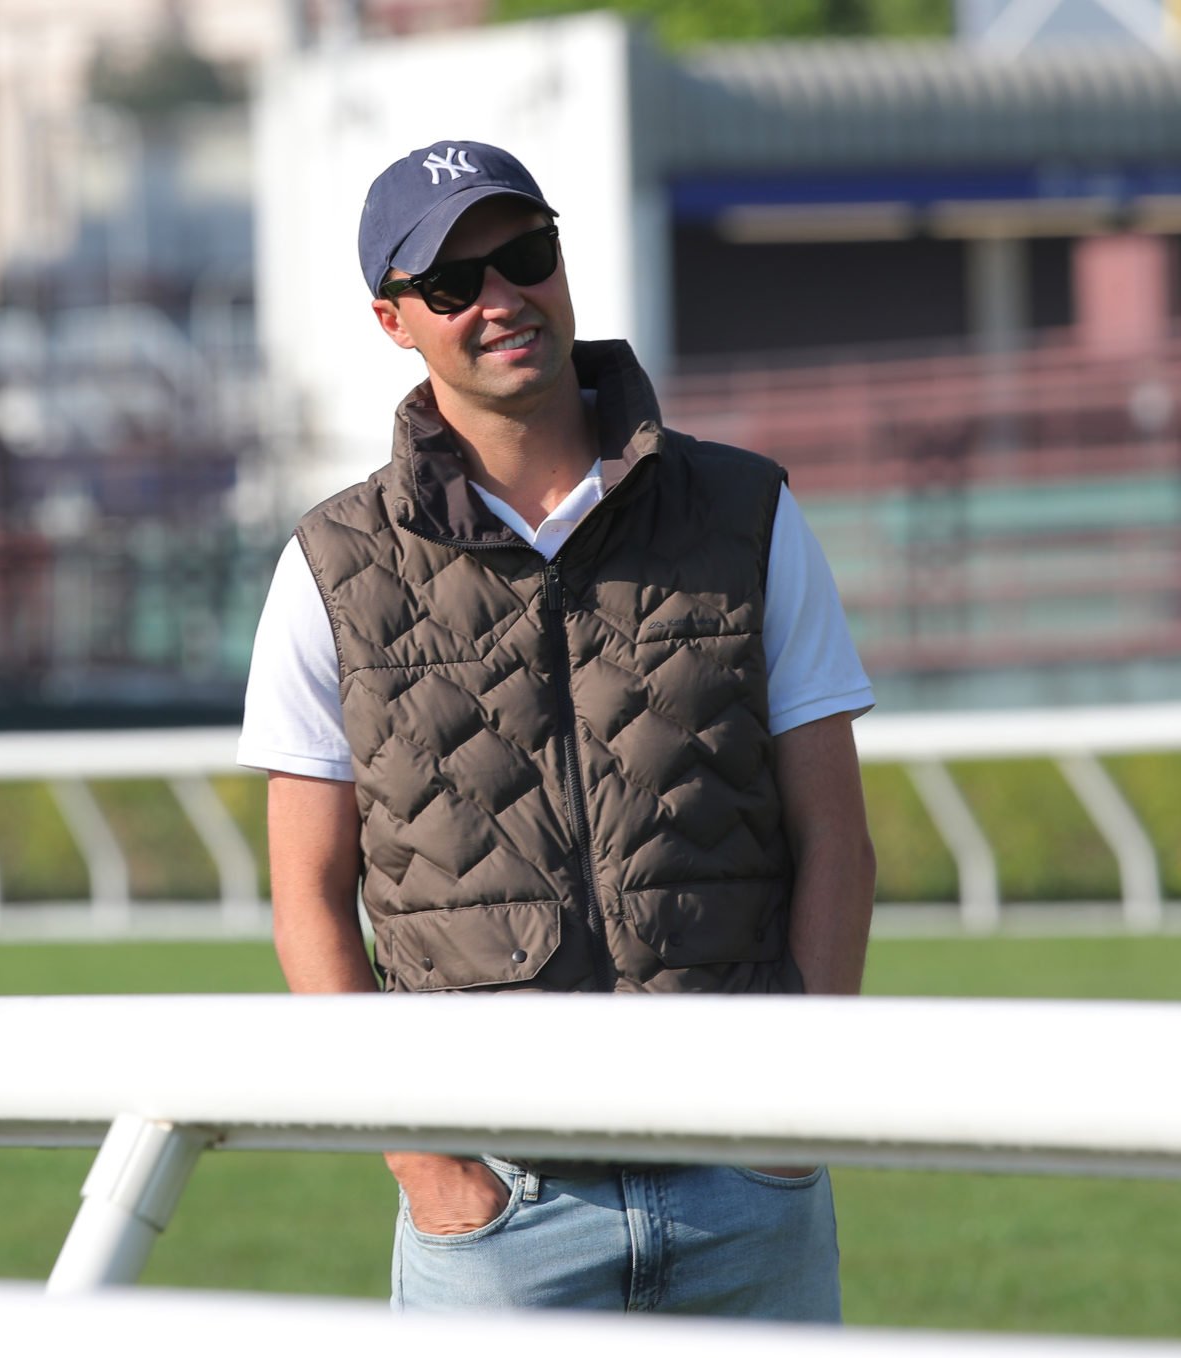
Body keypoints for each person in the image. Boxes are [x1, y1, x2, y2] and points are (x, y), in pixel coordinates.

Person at [238, 141, 877, 1318]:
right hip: (495, 1222)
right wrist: (427, 1169)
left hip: (751, 1186)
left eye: (522, 254)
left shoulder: (746, 509)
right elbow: (308, 897)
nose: (499, 299)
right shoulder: (327, 565)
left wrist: (797, 1123)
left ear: (560, 257)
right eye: (451, 285)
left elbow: (834, 830)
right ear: (394, 320)